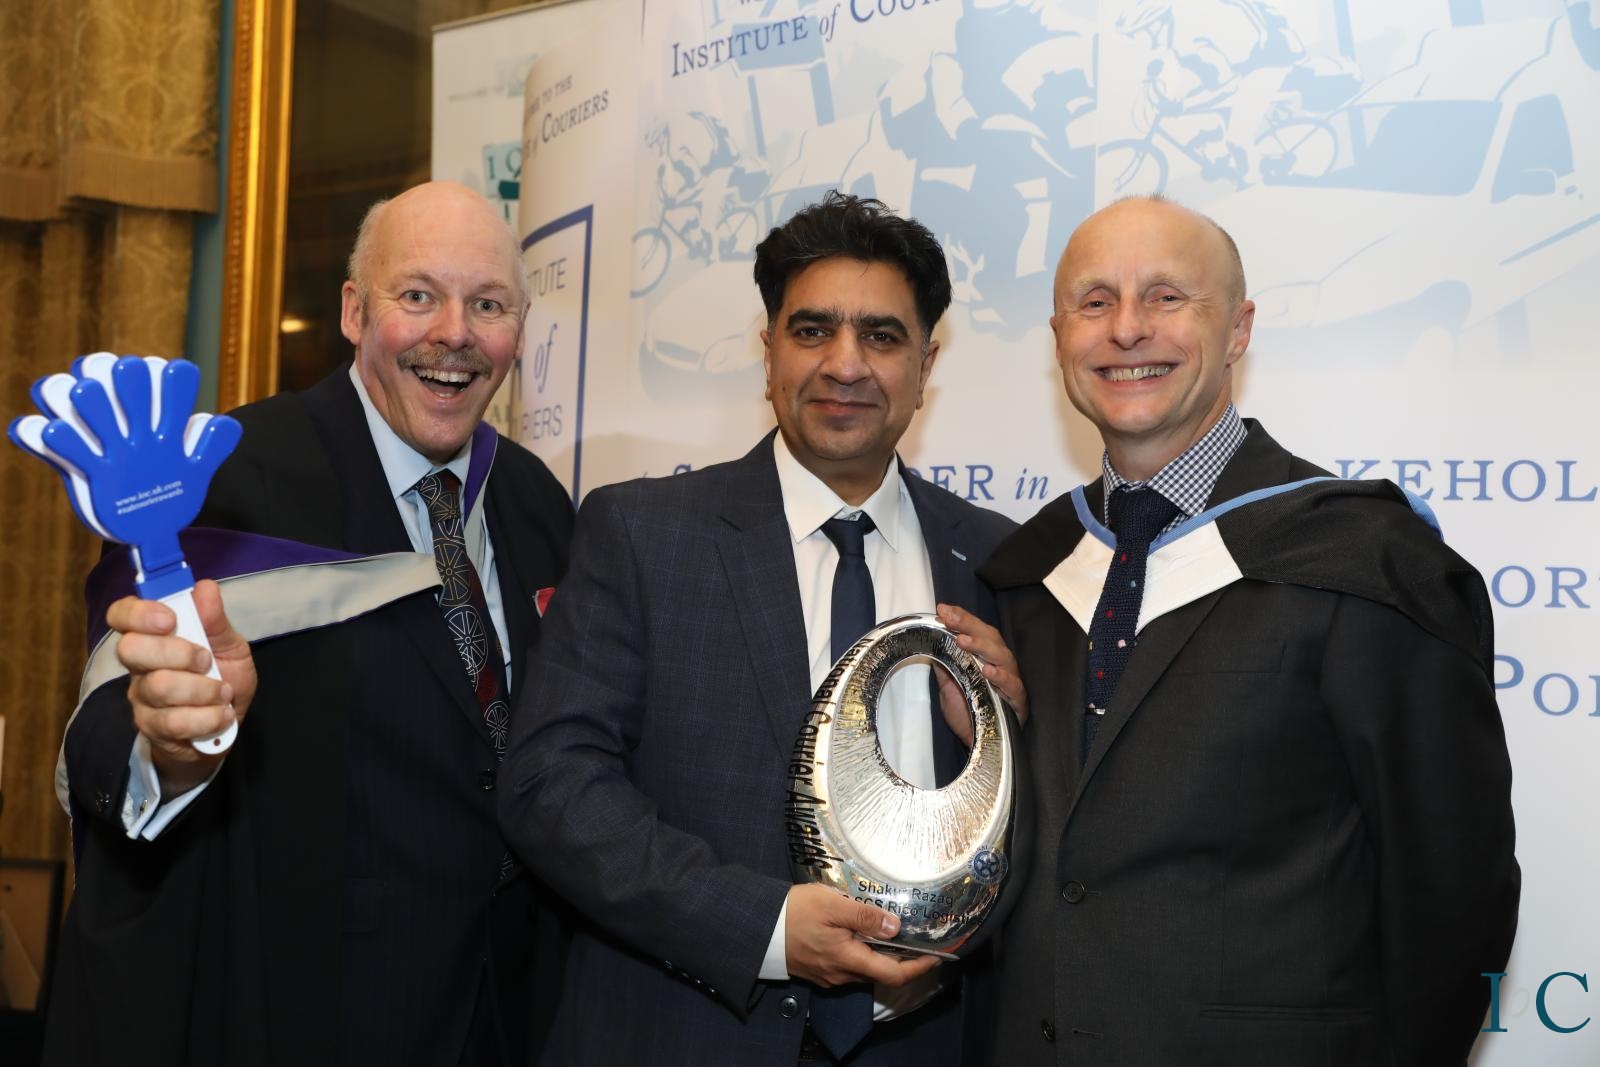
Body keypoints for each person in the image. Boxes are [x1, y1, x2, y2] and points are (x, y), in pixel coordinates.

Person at [976, 194, 1519, 1065]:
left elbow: (1453, 890)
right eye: (1095, 301)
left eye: (1166, 296)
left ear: (1238, 329)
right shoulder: (1027, 574)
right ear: (1058, 337)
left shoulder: (1366, 560)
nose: (1127, 328)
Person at [45, 181, 575, 1066]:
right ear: (354, 311)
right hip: (311, 1010)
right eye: (418, 295)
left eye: (488, 304)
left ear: (519, 330)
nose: (455, 332)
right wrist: (169, 748)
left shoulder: (537, 504)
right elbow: (114, 714)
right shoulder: (229, 479)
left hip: (510, 1014)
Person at [498, 191, 1022, 1066]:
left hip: (925, 1042)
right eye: (813, 330)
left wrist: (1012, 736)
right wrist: (766, 927)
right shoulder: (644, 533)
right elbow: (550, 785)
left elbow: (1041, 829)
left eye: (882, 336)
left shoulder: (996, 559)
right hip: (682, 1033)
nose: (845, 364)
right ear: (769, 348)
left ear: (926, 362)